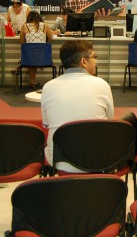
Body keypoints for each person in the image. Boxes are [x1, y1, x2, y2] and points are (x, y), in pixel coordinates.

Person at [41, 40, 114, 173]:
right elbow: (109, 122)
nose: (96, 61)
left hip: (59, 161)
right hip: (97, 159)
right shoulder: (102, 85)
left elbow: (47, 124)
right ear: (83, 62)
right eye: (94, 57)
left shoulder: (48, 87)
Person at [20, 10, 54, 89]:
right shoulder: (45, 25)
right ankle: (33, 81)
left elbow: (21, 41)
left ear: (29, 18)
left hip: (29, 59)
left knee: (31, 55)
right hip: (44, 58)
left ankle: (32, 81)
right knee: (35, 55)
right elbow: (51, 38)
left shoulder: (25, 26)